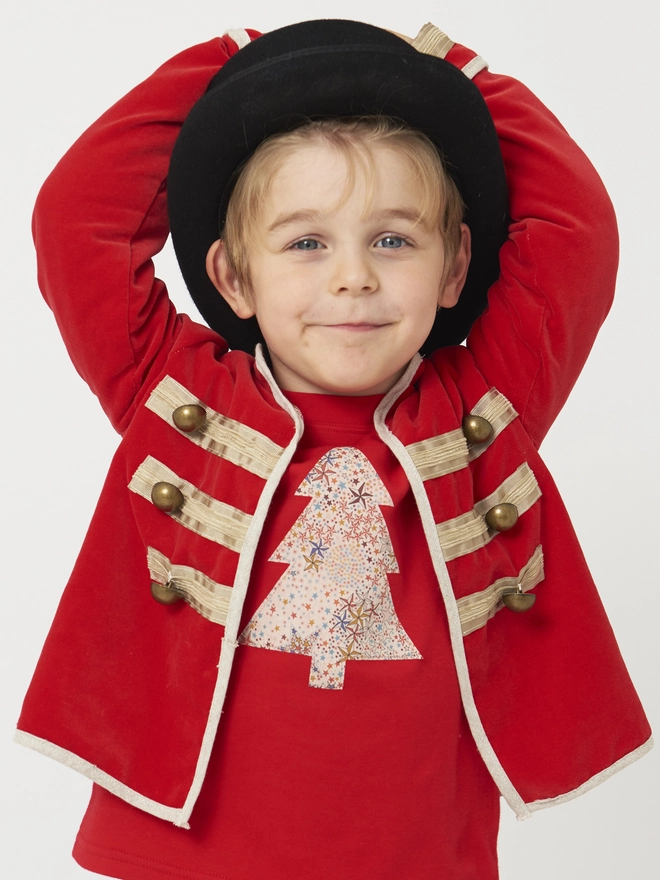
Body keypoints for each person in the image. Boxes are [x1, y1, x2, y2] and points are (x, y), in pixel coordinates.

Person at [15, 19, 651, 879]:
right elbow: (78, 216)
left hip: (417, 856)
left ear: (455, 268)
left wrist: (454, 74)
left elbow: (577, 229)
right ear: (235, 277)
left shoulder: (487, 409)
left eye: (393, 239)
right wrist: (234, 60)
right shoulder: (173, 397)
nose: (353, 277)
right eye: (306, 243)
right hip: (176, 855)